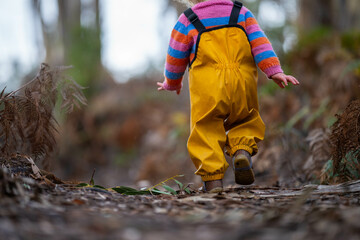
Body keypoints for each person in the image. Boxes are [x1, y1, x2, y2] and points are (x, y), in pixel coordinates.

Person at [157, 0, 299, 193]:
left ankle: (213, 182)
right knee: (245, 119)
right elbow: (260, 44)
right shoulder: (241, 13)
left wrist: (171, 83)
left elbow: (175, 57)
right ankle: (241, 151)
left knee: (205, 129)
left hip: (208, 88)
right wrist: (274, 71)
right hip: (242, 82)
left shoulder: (187, 20)